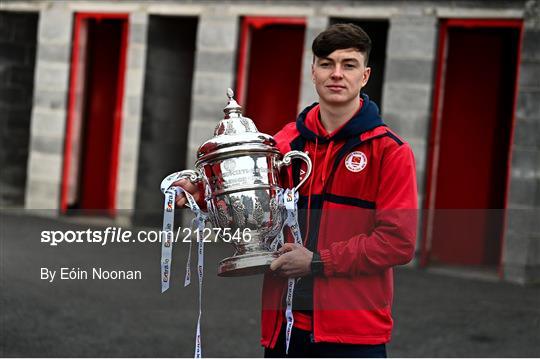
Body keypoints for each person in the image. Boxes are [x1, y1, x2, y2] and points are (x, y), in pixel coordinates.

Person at [175, 23, 417, 358]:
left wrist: (319, 262)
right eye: (326, 63)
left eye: (349, 65)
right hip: (284, 329)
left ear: (365, 76)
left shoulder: (390, 151)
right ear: (313, 72)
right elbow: (252, 204)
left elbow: (397, 242)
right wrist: (200, 197)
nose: (337, 74)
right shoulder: (284, 143)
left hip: (354, 334)